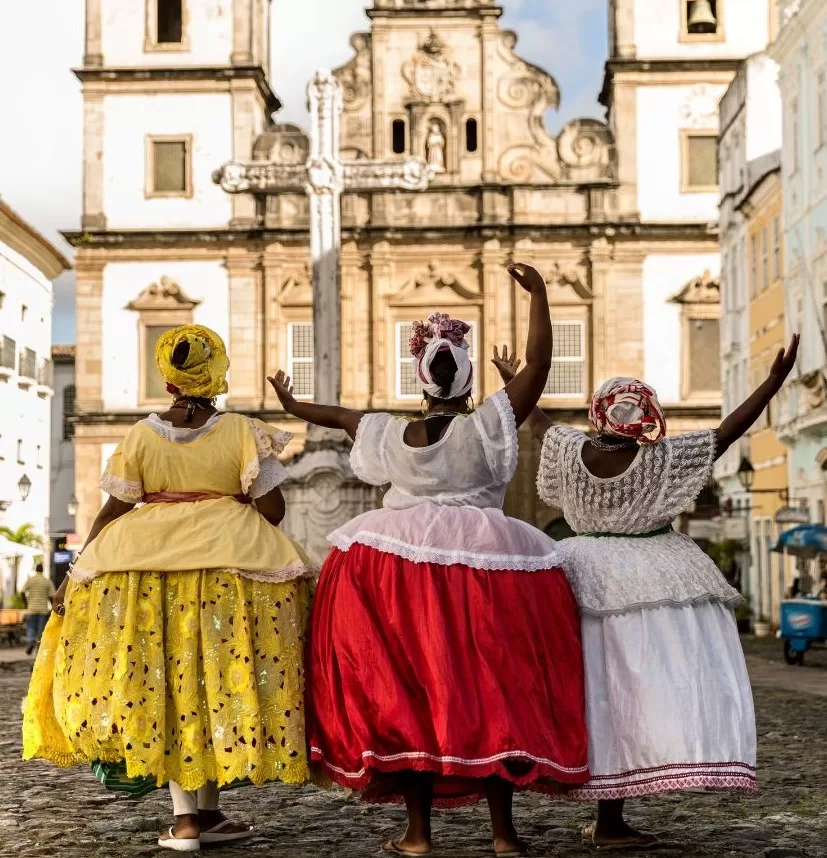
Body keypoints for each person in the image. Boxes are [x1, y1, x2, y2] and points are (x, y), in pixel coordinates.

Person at [268, 263, 588, 858]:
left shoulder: (388, 433)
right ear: (468, 384)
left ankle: (418, 834)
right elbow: (539, 368)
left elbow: (334, 417)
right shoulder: (488, 424)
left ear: (420, 383)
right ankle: (504, 834)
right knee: (494, 690)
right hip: (489, 568)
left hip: (396, 571)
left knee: (411, 692)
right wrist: (540, 296)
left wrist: (291, 400)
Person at [493, 335, 800, 850]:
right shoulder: (664, 460)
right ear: (646, 417)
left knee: (590, 690)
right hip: (652, 576)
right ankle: (614, 816)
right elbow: (727, 431)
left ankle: (599, 808)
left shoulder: (569, 451)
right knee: (639, 689)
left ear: (598, 415)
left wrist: (512, 380)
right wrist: (771, 383)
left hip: (578, 574)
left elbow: (538, 423)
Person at [23, 325, 316, 853]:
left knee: (169, 684)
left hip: (142, 570)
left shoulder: (141, 434)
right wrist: (226, 499)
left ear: (170, 377)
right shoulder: (243, 431)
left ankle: (195, 818)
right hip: (230, 570)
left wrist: (77, 567)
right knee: (211, 684)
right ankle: (202, 814)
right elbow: (272, 510)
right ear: (216, 370)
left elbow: (113, 509)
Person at [22, 563, 54, 655]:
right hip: (43, 609)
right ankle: (39, 648)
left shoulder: (30, 580)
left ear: (36, 569)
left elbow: (22, 592)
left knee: (31, 627)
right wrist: (52, 607)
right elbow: (52, 596)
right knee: (41, 630)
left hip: (32, 608)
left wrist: (25, 603)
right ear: (42, 570)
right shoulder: (46, 581)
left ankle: (31, 640)